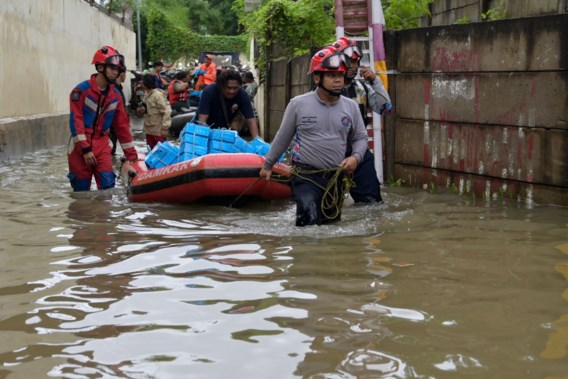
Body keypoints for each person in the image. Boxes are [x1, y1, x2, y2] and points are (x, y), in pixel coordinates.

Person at [259, 46, 368, 227]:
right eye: (332, 76)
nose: (338, 81)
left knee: (331, 226)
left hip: (335, 178)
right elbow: (283, 137)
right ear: (317, 78)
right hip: (306, 176)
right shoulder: (298, 104)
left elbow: (360, 138)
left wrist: (356, 158)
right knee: (308, 219)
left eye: (340, 76)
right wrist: (268, 165)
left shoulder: (351, 107)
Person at [67, 45, 137, 192]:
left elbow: (122, 127)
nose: (115, 72)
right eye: (112, 68)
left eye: (117, 69)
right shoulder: (81, 91)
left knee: (107, 188)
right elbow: (76, 121)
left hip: (102, 144)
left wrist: (132, 157)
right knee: (81, 191)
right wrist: (85, 149)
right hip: (80, 147)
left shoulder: (116, 96)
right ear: (99, 67)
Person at [332, 37, 392, 204]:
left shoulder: (362, 88)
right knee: (329, 206)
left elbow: (385, 108)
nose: (354, 66)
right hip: (330, 152)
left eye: (356, 62)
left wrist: (375, 81)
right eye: (349, 62)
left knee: (372, 204)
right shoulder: (323, 90)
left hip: (359, 152)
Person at [197, 69, 259, 138]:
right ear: (221, 86)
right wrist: (201, 141)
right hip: (207, 131)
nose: (232, 91)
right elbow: (202, 121)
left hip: (224, 132)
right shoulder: (209, 92)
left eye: (235, 88)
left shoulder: (242, 94)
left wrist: (258, 143)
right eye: (228, 88)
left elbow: (251, 120)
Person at [141, 73, 171, 150]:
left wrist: (165, 128)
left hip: (158, 130)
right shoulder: (147, 94)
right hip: (150, 129)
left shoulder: (157, 95)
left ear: (146, 83)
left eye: (142, 82)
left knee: (161, 151)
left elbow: (166, 111)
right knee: (151, 151)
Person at [110, 60, 127, 156]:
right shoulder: (113, 89)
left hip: (116, 126)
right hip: (111, 126)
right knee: (110, 149)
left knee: (113, 148)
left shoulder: (119, 88)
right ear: (122, 74)